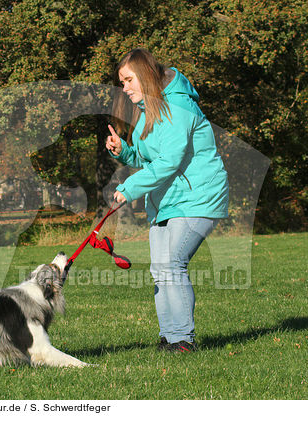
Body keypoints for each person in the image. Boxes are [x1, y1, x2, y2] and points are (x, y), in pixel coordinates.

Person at [106, 48, 229, 353]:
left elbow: (170, 162)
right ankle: (170, 337)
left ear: (145, 75)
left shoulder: (178, 107)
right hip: (167, 200)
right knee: (160, 268)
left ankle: (183, 339)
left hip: (198, 196)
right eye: (122, 82)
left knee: (173, 263)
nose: (125, 88)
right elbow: (149, 158)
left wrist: (129, 187)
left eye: (128, 80)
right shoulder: (151, 111)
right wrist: (124, 151)